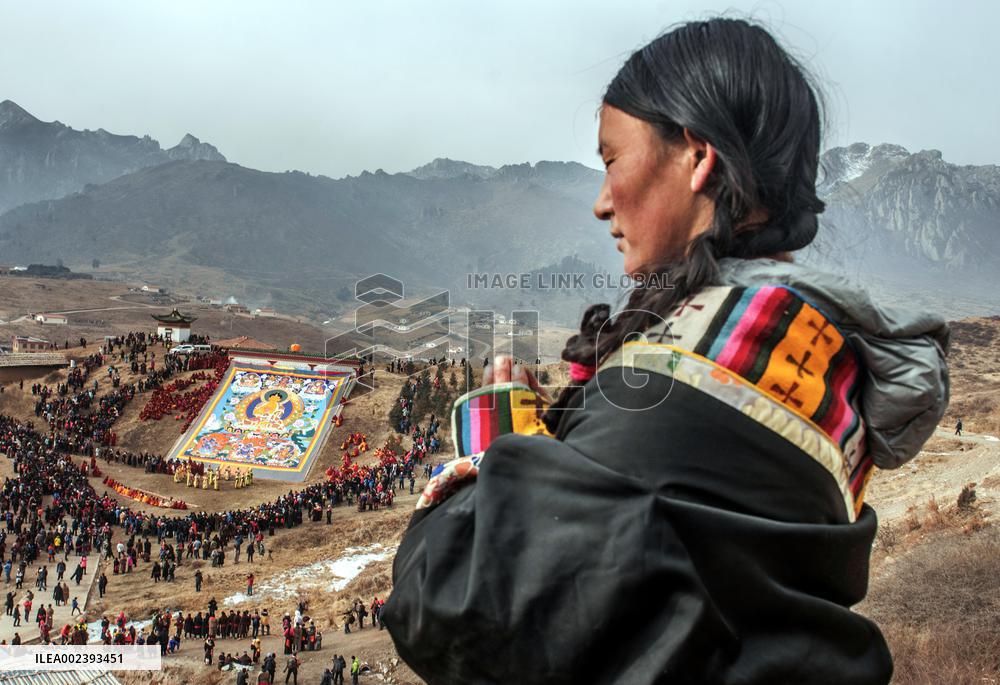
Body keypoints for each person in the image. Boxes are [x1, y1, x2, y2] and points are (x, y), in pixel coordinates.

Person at [381, 18, 949, 685]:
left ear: (696, 157)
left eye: (611, 160)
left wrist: (497, 448)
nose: (600, 203)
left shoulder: (684, 383)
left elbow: (461, 607)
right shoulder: (814, 354)